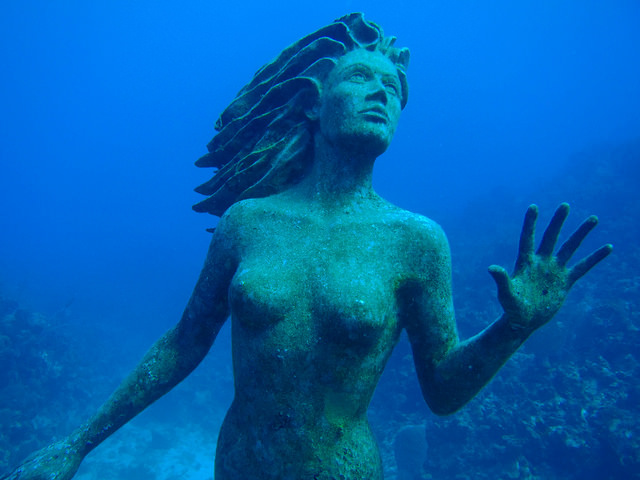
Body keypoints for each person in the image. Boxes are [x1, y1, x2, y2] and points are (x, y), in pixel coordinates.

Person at [2, 13, 611, 480]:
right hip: (237, 466)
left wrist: (514, 329)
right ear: (314, 104)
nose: (383, 94)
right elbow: (184, 344)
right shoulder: (247, 223)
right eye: (362, 77)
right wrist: (78, 444)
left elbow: (443, 392)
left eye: (394, 88)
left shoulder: (416, 241)